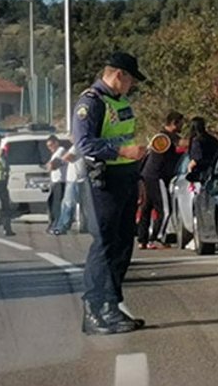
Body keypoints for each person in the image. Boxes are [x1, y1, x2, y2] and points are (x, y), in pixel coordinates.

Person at [74, 51, 148, 335]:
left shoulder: (121, 102)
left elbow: (128, 139)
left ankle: (111, 305)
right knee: (104, 245)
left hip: (126, 178)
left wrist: (137, 175)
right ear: (119, 75)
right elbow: (84, 144)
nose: (132, 86)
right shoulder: (91, 103)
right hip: (102, 182)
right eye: (131, 80)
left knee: (121, 245)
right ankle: (93, 309)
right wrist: (120, 151)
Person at [137, 110, 184, 250]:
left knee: (146, 208)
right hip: (157, 177)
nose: (182, 126)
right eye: (181, 123)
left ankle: (142, 240)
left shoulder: (160, 136)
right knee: (166, 210)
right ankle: (157, 238)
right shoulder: (166, 137)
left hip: (147, 176)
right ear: (174, 123)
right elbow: (183, 143)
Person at [50, 144, 85, 235]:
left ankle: (62, 227)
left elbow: (68, 157)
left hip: (75, 179)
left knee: (68, 204)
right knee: (71, 204)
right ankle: (81, 226)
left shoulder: (77, 145)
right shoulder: (80, 144)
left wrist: (58, 162)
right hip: (75, 178)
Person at [45, 135, 67, 234]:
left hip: (60, 182)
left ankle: (56, 225)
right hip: (55, 181)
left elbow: (53, 165)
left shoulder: (61, 150)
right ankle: (54, 224)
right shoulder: (55, 153)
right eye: (48, 146)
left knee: (56, 205)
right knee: (51, 203)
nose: (50, 148)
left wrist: (50, 166)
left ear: (56, 143)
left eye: (51, 145)